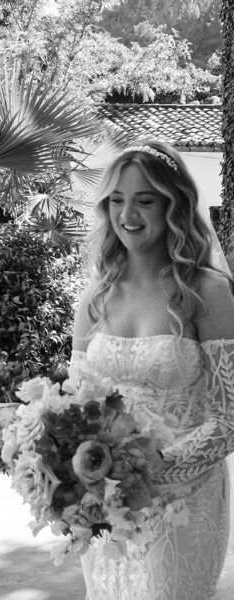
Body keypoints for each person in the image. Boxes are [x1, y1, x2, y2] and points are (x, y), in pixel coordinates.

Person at [71, 141, 234, 600]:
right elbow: (73, 402)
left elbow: (230, 414)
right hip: (105, 497)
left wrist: (155, 471)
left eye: (145, 200)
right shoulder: (95, 296)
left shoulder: (207, 291)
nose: (128, 214)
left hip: (185, 498)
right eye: (117, 200)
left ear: (173, 205)